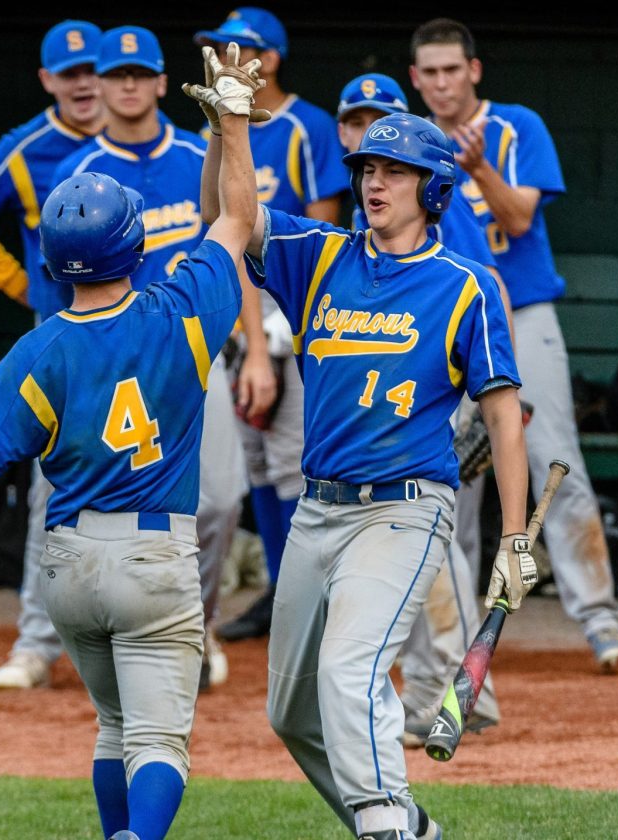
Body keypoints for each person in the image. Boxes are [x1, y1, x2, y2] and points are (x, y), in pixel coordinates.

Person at [0, 43, 263, 840]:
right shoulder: (179, 312)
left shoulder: (37, 349)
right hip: (155, 561)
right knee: (159, 738)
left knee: (111, 727)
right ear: (135, 247)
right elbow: (234, 219)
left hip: (66, 563)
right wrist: (231, 126)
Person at [202, 98, 530, 835]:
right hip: (317, 512)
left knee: (349, 671)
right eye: (367, 169)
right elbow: (236, 216)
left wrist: (514, 540)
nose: (375, 183)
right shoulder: (321, 257)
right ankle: (402, 822)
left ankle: (383, 824)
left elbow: (505, 420)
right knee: (291, 710)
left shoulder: (466, 285)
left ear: (434, 186)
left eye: (396, 171)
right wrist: (231, 128)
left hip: (404, 510)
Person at [410, 17, 618, 671]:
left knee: (555, 464)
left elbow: (518, 217)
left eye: (454, 69)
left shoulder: (515, 127)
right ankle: (457, 647)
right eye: (431, 71)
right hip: (443, 324)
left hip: (524, 315)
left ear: (474, 70)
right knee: (450, 482)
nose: (443, 82)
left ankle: (599, 619)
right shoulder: (413, 141)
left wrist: (478, 168)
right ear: (416, 78)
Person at [52, 25, 251, 691]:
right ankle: (76, 635)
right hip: (107, 360)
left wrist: (252, 346)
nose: (130, 85)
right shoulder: (76, 173)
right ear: (99, 86)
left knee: (221, 501)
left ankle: (198, 624)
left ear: (163, 83)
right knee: (74, 503)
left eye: (141, 73)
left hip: (189, 349)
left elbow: (230, 241)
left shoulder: (195, 151)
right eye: (117, 75)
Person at [0, 20, 108, 690]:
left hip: (143, 338)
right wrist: (16, 280)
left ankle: (175, 632)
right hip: (62, 332)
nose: (85, 84)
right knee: (51, 488)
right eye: (70, 75)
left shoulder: (146, 146)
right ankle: (36, 641)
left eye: (93, 70)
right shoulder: (29, 148)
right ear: (47, 82)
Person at [335, 71, 503, 746]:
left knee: (436, 544)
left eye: (376, 117)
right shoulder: (362, 215)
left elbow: (484, 287)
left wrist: (501, 405)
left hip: (449, 386)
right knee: (421, 552)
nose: (362, 130)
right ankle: (449, 691)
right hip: (384, 394)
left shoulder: (429, 200)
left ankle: (466, 690)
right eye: (353, 122)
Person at [193, 7, 351, 645]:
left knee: (291, 466)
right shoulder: (218, 125)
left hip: (289, 317)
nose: (223, 58)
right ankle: (277, 598)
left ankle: (302, 602)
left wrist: (271, 342)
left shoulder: (307, 126)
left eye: (238, 50)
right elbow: (221, 224)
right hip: (241, 322)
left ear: (271, 58)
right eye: (218, 48)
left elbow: (322, 237)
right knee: (256, 468)